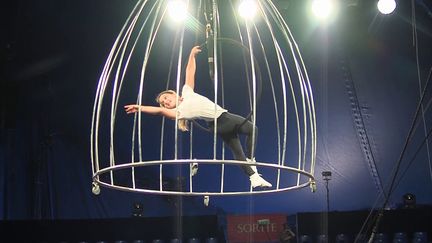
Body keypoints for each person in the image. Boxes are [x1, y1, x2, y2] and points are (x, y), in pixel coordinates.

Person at [124, 46, 271, 188]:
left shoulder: (186, 92)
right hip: (222, 120)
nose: (166, 102)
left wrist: (192, 55)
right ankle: (251, 160)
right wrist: (140, 108)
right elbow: (159, 112)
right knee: (252, 129)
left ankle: (254, 177)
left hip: (220, 123)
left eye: (166, 98)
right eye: (164, 103)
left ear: (173, 93)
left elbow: (189, 71)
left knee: (238, 150)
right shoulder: (179, 112)